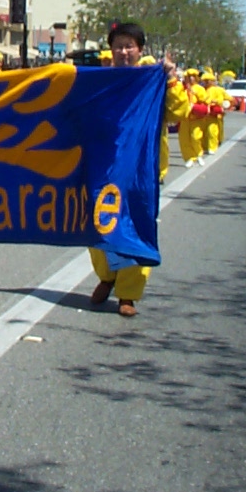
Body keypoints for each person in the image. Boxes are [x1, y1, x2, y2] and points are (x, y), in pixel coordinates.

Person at [87, 22, 185, 317]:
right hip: (104, 168)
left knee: (136, 227)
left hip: (144, 170)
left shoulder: (153, 82)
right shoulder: (100, 81)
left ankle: (128, 294)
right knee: (96, 222)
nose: (124, 51)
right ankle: (107, 275)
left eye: (129, 46)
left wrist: (169, 80)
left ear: (140, 50)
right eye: (119, 46)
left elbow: (179, 112)